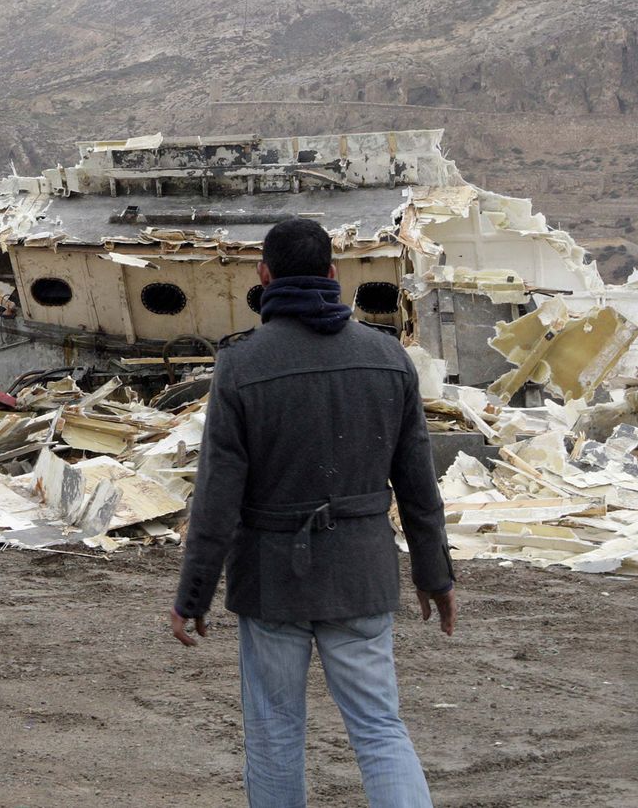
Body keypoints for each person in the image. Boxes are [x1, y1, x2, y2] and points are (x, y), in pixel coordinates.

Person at [168, 217, 456, 808]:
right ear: (333, 274)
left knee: (274, 734)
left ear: (263, 277)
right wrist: (435, 575)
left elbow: (217, 499)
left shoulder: (241, 367)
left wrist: (192, 596)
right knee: (379, 729)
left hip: (273, 581)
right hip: (361, 575)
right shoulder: (387, 359)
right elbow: (419, 488)